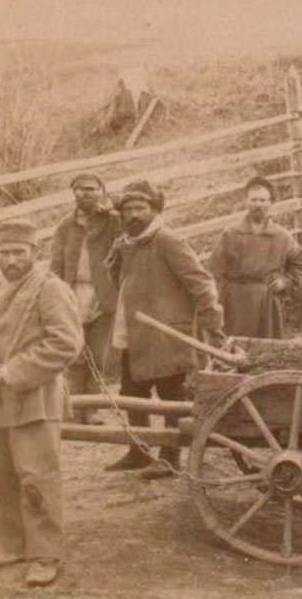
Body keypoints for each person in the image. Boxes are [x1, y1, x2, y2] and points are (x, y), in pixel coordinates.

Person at [0, 219, 82, 587]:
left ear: (35, 253)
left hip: (34, 397)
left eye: (19, 252)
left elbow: (66, 343)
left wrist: (16, 370)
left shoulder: (49, 289)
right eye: (5, 253)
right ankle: (15, 544)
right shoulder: (2, 291)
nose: (11, 259)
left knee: (37, 478)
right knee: (0, 476)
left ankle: (45, 554)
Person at [104, 179, 224, 480]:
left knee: (172, 396)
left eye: (140, 208)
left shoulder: (166, 239)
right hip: (134, 331)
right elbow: (121, 283)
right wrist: (115, 260)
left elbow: (201, 283)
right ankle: (138, 451)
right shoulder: (128, 243)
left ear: (154, 209)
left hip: (166, 334)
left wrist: (213, 324)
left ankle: (170, 457)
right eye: (127, 209)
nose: (133, 215)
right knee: (132, 391)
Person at [49, 173, 122, 425]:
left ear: (102, 191)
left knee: (97, 354)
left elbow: (125, 242)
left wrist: (112, 210)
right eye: (79, 190)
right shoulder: (65, 227)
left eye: (91, 189)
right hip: (72, 294)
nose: (85, 194)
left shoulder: (113, 222)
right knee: (73, 353)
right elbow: (56, 264)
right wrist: (57, 293)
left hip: (102, 294)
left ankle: (92, 409)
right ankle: (70, 407)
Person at [210, 176, 302, 339]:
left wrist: (285, 282)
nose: (258, 205)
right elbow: (216, 269)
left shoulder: (281, 236)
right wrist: (224, 294)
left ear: (270, 203)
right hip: (235, 304)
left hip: (266, 303)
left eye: (263, 200)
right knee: (233, 350)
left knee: (266, 352)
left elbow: (299, 264)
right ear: (246, 202)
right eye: (254, 200)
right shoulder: (231, 233)